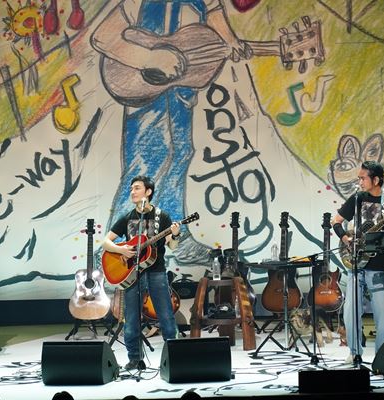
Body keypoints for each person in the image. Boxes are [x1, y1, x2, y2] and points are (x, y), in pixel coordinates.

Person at [91, 0, 249, 264]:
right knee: (146, 165)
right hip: (144, 92)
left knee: (179, 156)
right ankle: (113, 248)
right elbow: (103, 36)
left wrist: (230, 41)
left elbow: (214, 12)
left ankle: (176, 238)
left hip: (180, 93)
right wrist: (149, 59)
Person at [102, 176, 181, 370]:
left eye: (137, 188)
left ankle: (174, 357)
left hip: (156, 272)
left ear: (148, 192)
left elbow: (172, 246)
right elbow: (106, 241)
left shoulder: (162, 217)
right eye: (131, 189)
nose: (132, 192)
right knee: (131, 318)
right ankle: (135, 359)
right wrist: (121, 250)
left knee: (165, 315)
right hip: (132, 274)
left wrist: (176, 234)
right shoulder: (127, 217)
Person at [332, 161, 384, 362]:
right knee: (350, 312)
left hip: (381, 267)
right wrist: (345, 238)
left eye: (362, 178)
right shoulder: (358, 198)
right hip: (356, 264)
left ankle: (381, 357)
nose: (359, 181)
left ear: (376, 180)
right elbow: (336, 221)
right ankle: (354, 353)